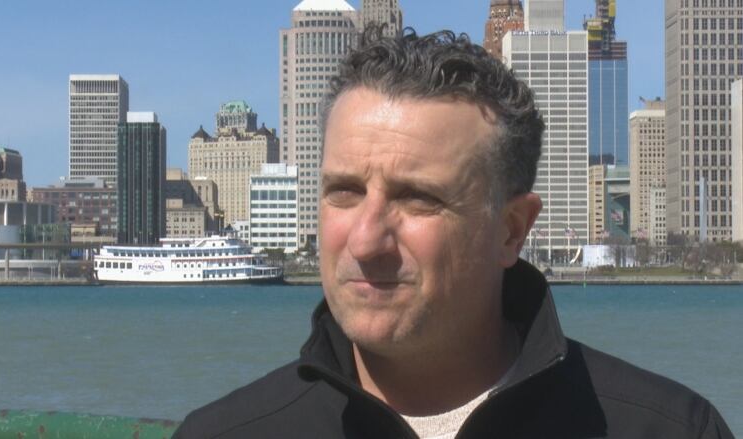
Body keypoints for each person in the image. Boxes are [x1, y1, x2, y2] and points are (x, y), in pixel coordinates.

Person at [172, 28, 732, 439]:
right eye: (343, 191)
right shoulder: (223, 434)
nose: (365, 241)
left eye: (418, 198)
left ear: (512, 231)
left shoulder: (668, 430)